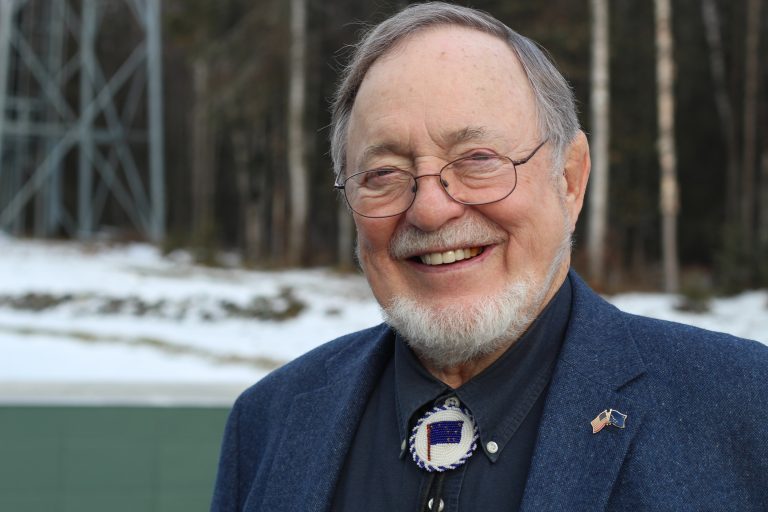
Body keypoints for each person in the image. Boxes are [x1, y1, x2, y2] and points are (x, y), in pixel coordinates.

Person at [211, 3, 768, 511]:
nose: (430, 211)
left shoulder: (744, 408)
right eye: (383, 173)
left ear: (570, 179)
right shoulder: (267, 425)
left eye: (478, 159)